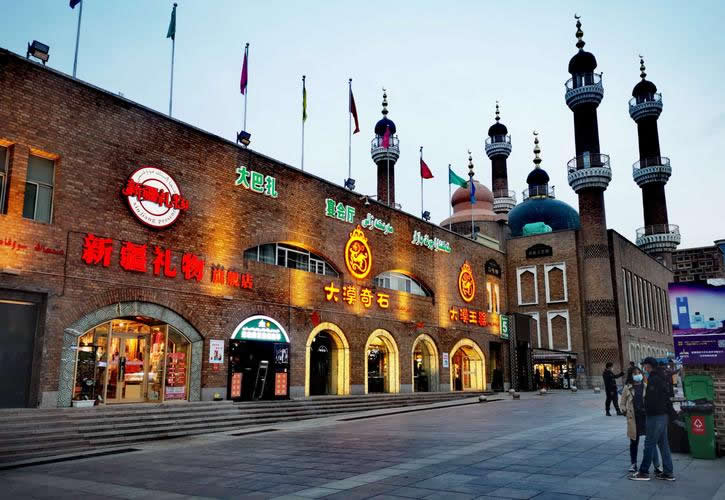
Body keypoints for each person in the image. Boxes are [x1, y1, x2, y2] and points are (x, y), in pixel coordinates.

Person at [629, 357, 675, 481]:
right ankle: (668, 472)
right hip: (663, 415)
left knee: (649, 443)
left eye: (645, 365)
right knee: (663, 444)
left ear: (649, 366)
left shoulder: (654, 379)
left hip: (655, 416)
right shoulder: (661, 376)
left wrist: (646, 409)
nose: (644, 368)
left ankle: (643, 472)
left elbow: (652, 400)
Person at [620, 367, 662, 474]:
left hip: (646, 417)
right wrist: (624, 410)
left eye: (639, 373)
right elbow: (622, 403)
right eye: (635, 373)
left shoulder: (646, 386)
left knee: (651, 442)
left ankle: (657, 465)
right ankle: (633, 464)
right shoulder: (627, 388)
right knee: (634, 442)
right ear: (631, 375)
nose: (638, 375)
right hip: (634, 418)